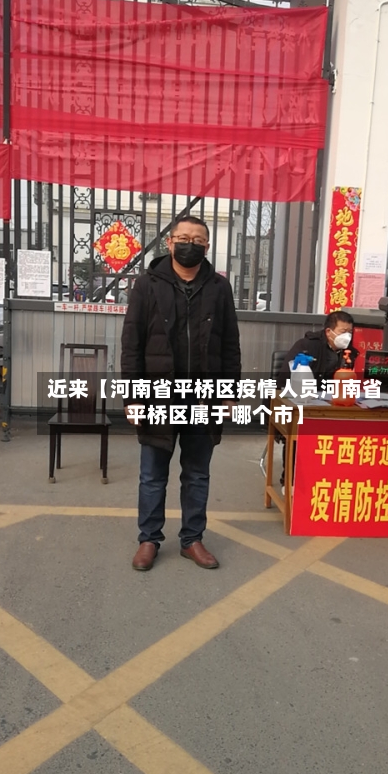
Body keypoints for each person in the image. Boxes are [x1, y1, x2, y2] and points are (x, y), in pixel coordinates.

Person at [121, 216, 241, 572]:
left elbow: (230, 344)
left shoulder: (219, 288)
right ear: (170, 243)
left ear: (207, 246)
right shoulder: (147, 285)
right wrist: (132, 396)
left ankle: (192, 539)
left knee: (197, 473)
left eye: (198, 240)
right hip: (158, 394)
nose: (191, 244)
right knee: (152, 474)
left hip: (204, 395)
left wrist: (229, 393)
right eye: (184, 238)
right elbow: (132, 343)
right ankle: (149, 539)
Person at [276, 311, 359, 489]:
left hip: (332, 406)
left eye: (350, 332)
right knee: (299, 434)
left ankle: (329, 480)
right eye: (343, 331)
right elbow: (284, 380)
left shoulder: (350, 353)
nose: (347, 336)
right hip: (302, 403)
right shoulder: (307, 346)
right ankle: (290, 482)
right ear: (329, 332)